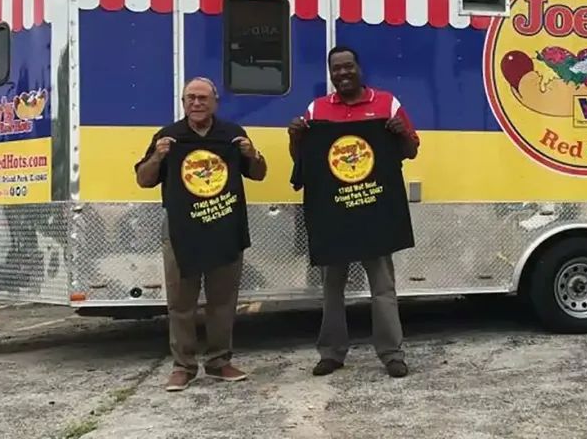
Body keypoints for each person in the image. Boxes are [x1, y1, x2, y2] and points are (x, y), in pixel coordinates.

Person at [288, 46, 419, 379]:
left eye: (348, 67)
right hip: (333, 216)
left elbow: (410, 150)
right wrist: (296, 138)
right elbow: (301, 160)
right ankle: (332, 353)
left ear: (359, 68)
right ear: (330, 73)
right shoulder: (316, 110)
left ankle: (392, 353)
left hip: (374, 212)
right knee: (332, 288)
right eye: (336, 69)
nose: (343, 73)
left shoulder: (387, 103)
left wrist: (400, 134)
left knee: (383, 289)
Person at [134, 77, 268, 392]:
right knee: (181, 303)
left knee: (223, 302)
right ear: (183, 103)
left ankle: (220, 362)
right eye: (190, 98)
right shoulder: (168, 137)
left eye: (203, 98)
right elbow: (143, 179)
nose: (196, 103)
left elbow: (259, 174)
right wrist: (158, 156)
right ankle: (183, 367)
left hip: (225, 228)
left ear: (215, 102)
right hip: (182, 232)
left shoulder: (233, 135)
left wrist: (252, 153)